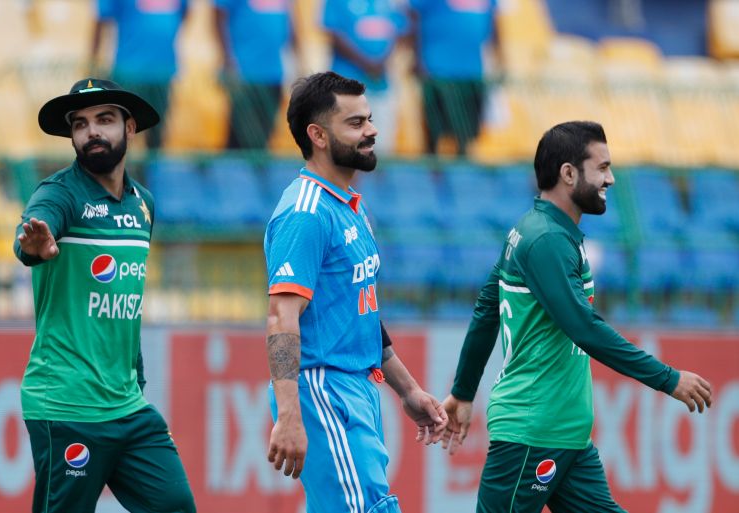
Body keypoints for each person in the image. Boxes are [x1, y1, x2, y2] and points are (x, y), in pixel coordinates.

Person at [440, 121, 712, 513]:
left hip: (567, 436)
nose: (611, 179)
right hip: (532, 432)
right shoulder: (546, 239)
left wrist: (464, 392)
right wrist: (667, 379)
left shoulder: (543, 231)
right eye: (601, 168)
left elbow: (486, 309)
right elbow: (583, 327)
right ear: (568, 173)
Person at [263, 71, 448, 513]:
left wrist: (407, 389)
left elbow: (360, 312)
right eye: (356, 123)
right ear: (318, 136)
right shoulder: (305, 213)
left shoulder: (349, 206)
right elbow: (281, 318)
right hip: (322, 389)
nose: (372, 130)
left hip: (357, 389)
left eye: (369, 119)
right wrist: (289, 413)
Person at [14, 78, 196, 513]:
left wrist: (137, 376)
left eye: (104, 120)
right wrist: (32, 245)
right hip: (67, 402)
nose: (91, 131)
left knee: (176, 506)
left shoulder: (143, 204)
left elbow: (123, 303)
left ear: (129, 128)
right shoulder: (59, 193)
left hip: (128, 406)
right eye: (80, 124)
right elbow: (35, 228)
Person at [406, 0, 501, 155]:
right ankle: (433, 174)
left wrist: (499, 59)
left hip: (473, 72)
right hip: (437, 71)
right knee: (435, 135)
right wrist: (417, 58)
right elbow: (413, 16)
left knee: (467, 135)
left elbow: (494, 23)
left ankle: (462, 176)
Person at [91, 0, 189, 149]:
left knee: (157, 131)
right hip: (128, 72)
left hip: (162, 73)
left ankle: (149, 169)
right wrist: (94, 61)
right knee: (121, 130)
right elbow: (101, 19)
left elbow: (184, 13)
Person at [322, 0, 409, 155]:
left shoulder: (391, 3)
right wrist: (366, 63)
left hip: (381, 84)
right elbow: (333, 34)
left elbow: (400, 31)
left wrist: (382, 61)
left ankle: (377, 178)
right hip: (346, 84)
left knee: (381, 147)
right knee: (347, 147)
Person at [213, 0, 294, 150]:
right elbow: (218, 16)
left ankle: (254, 169)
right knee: (240, 133)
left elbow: (290, 23)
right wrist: (227, 60)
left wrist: (294, 60)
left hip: (274, 72)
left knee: (265, 133)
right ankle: (228, 172)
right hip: (244, 72)